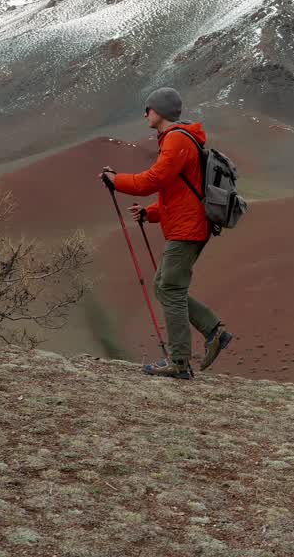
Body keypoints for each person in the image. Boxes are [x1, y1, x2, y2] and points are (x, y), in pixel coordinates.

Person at [99, 87, 233, 379]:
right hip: (187, 224)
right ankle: (212, 332)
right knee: (165, 286)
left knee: (169, 289)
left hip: (188, 229)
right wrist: (151, 213)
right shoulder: (178, 139)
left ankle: (180, 362)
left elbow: (154, 179)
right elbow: (179, 192)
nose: (145, 114)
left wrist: (115, 180)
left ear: (158, 111)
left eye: (147, 109)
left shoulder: (175, 140)